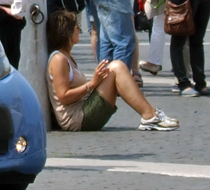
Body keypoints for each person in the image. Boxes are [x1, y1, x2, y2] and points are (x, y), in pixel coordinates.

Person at [46, 10, 179, 132]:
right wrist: (92, 83)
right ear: (66, 32)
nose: (79, 29)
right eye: (76, 27)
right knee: (116, 67)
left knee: (115, 67)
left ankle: (150, 114)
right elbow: (63, 96)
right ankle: (150, 116)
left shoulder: (66, 57)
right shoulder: (59, 59)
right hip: (76, 118)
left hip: (81, 109)